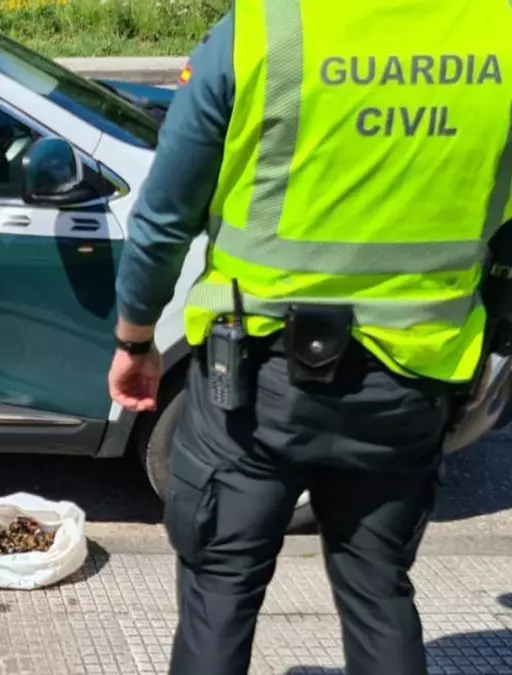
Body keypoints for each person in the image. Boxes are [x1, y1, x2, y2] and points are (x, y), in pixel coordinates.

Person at [105, 3, 512, 675]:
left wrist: (135, 339)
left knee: (220, 591)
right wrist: (492, 341)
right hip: (411, 381)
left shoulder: (264, 27)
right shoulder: (498, 33)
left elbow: (164, 216)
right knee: (379, 592)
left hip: (254, 385)